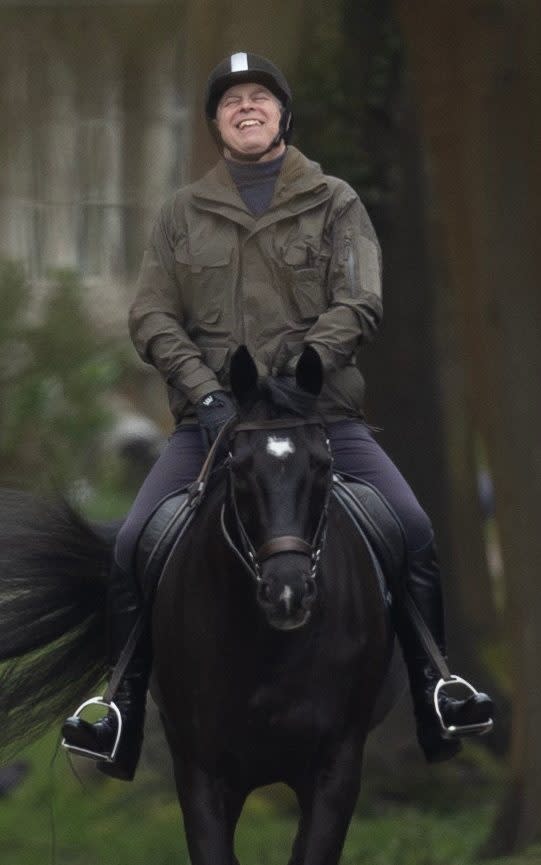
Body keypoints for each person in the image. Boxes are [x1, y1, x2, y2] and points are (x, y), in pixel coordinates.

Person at [62, 52, 493, 780]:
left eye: (260, 96)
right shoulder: (181, 214)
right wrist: (204, 391)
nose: (247, 107)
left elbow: (359, 300)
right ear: (217, 123)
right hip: (212, 425)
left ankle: (436, 690)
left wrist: (301, 369)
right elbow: (151, 314)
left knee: (413, 530)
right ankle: (121, 710)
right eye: (232, 102)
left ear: (282, 115)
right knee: (134, 541)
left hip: (320, 419)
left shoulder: (335, 202)